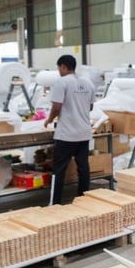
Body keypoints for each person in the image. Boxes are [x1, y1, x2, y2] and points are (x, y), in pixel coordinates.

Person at [45, 55, 94, 206]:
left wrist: (49, 120)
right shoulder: (88, 83)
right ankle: (83, 199)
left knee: (59, 170)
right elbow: (90, 107)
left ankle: (55, 203)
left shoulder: (62, 82)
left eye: (59, 68)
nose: (59, 71)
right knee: (83, 168)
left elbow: (57, 106)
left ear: (64, 67)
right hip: (84, 133)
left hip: (66, 134)